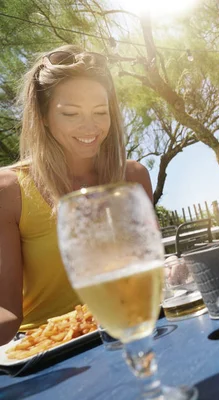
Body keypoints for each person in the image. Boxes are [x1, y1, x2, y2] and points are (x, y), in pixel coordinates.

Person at [0, 45, 152, 345]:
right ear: (42, 115)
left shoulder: (133, 178)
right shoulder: (9, 191)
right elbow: (6, 309)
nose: (90, 127)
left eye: (100, 112)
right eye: (71, 113)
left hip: (132, 332)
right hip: (47, 349)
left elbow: (147, 279)